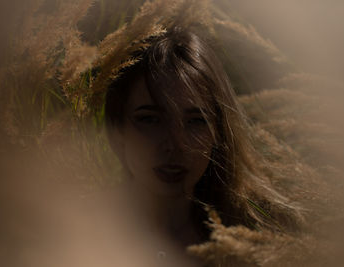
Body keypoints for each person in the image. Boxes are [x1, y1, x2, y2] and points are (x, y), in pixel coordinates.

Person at [104, 27, 302, 264]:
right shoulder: (78, 231)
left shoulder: (263, 236)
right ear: (117, 128)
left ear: (218, 131)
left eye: (196, 121)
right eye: (151, 119)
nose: (176, 144)